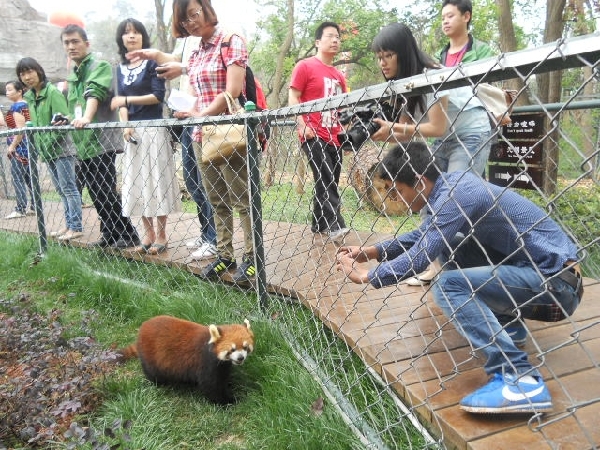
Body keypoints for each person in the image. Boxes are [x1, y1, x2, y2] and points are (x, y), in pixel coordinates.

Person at [336, 142, 583, 414]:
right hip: (539, 276)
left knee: (448, 285)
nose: (394, 199)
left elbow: (420, 257)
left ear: (419, 182)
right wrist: (371, 251)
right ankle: (508, 330)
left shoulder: (455, 194)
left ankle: (520, 380)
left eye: (397, 191)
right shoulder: (449, 189)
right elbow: (424, 238)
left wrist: (367, 276)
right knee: (453, 243)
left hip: (557, 286)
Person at [128, 0, 256, 282]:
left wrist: (199, 114)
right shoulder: (197, 50)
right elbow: (190, 73)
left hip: (227, 134)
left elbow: (232, 91)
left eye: (193, 14)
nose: (191, 23)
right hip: (201, 136)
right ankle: (225, 256)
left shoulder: (230, 40)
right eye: (184, 21)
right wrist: (161, 58)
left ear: (207, 8)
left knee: (242, 199)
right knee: (217, 199)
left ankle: (252, 257)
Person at [370, 22, 492, 286]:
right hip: (443, 139)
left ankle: (464, 270)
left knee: (454, 200)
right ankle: (432, 266)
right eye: (379, 57)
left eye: (388, 55)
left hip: (470, 133)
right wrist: (378, 132)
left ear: (403, 52)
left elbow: (435, 126)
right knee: (428, 197)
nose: (383, 62)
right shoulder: (403, 84)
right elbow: (404, 132)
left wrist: (396, 127)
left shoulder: (432, 74)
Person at [60, 24, 140, 249]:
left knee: (105, 190)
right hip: (82, 143)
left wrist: (86, 117)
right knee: (96, 193)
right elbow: (74, 104)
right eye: (67, 43)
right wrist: (65, 118)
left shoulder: (100, 66)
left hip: (102, 140)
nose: (71, 46)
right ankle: (110, 233)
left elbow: (93, 93)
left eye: (75, 41)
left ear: (87, 43)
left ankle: (128, 233)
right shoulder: (74, 74)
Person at [111, 18, 181, 255]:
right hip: (133, 133)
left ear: (143, 37)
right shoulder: (119, 69)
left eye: (136, 32)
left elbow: (157, 96)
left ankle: (162, 233)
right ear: (121, 39)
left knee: (157, 181)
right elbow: (121, 101)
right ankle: (148, 232)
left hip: (154, 128)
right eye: (127, 32)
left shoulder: (153, 64)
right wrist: (125, 125)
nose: (131, 36)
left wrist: (127, 101)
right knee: (136, 182)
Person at [288, 21, 349, 242]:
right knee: (325, 178)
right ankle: (335, 224)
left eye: (338, 37)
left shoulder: (339, 76)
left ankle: (319, 224)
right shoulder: (305, 66)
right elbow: (293, 97)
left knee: (328, 178)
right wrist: (302, 125)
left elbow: (343, 108)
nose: (335, 40)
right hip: (313, 134)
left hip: (335, 136)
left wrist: (346, 132)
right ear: (317, 42)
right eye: (330, 36)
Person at [17, 57, 83, 241]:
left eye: (30, 72)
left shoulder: (52, 92)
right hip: (47, 151)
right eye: (22, 74)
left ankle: (76, 226)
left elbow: (62, 121)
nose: (27, 77)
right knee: (61, 190)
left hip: (61, 148)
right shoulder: (30, 97)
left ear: (39, 71)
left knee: (69, 188)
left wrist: (45, 143)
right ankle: (69, 225)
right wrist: (42, 147)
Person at [3, 80, 34, 219]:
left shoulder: (18, 107)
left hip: (20, 148)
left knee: (18, 177)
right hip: (28, 146)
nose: (7, 92)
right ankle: (34, 206)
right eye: (6, 90)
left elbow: (21, 130)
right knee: (29, 178)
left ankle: (21, 208)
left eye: (10, 89)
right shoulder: (25, 105)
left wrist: (12, 146)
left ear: (20, 91)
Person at [438, 0, 494, 67]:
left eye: (450, 16)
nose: (445, 22)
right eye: (443, 18)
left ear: (466, 17)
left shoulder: (481, 51)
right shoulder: (437, 57)